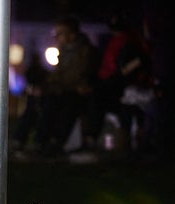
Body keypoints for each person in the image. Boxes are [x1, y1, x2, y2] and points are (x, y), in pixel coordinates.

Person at [81, 12, 153, 156]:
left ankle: (92, 140)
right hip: (111, 83)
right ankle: (91, 140)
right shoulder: (117, 41)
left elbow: (129, 68)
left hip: (120, 86)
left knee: (97, 97)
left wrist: (108, 81)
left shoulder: (131, 42)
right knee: (91, 96)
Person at [34, 15, 98, 156]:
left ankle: (53, 143)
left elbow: (76, 76)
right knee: (38, 99)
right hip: (63, 90)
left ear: (72, 34)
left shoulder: (85, 51)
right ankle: (34, 142)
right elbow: (56, 75)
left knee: (63, 104)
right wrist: (43, 87)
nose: (56, 37)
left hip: (76, 92)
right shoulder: (64, 51)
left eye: (59, 33)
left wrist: (53, 87)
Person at [11, 51, 47, 152]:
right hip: (38, 95)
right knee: (30, 110)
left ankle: (31, 140)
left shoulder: (40, 73)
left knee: (33, 111)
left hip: (46, 96)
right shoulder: (33, 73)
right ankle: (21, 139)